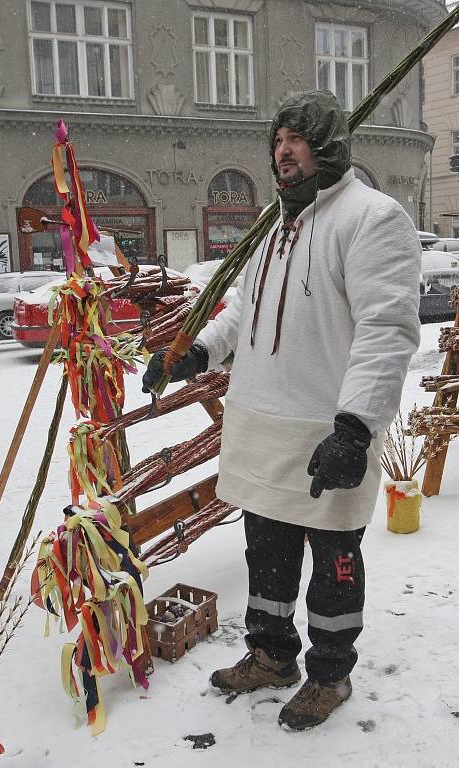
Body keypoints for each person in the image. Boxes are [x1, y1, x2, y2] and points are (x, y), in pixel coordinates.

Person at [142, 90, 421, 730]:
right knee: (265, 555)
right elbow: (242, 313)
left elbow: (386, 331)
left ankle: (329, 674)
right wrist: (195, 355)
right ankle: (271, 655)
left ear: (328, 145)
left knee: (333, 564)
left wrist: (354, 429)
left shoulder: (374, 218)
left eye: (296, 139)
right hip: (259, 426)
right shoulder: (272, 223)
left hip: (328, 432)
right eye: (277, 140)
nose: (283, 151)